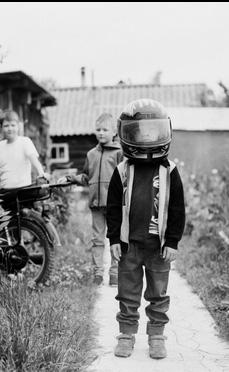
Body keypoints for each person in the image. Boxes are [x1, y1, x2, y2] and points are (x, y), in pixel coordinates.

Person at [107, 99, 185, 360]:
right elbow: (113, 208)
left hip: (158, 248)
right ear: (127, 133)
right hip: (129, 246)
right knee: (127, 294)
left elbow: (176, 209)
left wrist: (172, 241)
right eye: (140, 131)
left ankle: (156, 336)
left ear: (165, 131)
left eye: (153, 130)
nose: (147, 137)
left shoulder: (170, 171)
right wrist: (114, 239)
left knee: (158, 294)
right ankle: (127, 335)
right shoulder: (121, 171)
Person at [67, 113, 125, 286]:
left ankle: (115, 273)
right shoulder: (91, 154)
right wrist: (74, 178)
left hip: (115, 205)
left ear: (114, 132)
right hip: (96, 204)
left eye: (105, 130)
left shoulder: (119, 154)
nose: (101, 133)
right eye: (98, 129)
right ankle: (97, 274)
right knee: (97, 240)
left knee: (116, 239)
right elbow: (86, 176)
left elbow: (125, 177)